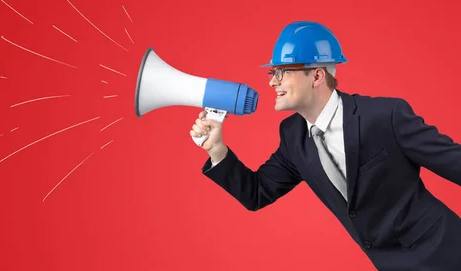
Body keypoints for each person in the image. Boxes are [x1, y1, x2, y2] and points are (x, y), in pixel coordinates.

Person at [190, 21, 461, 270]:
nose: (273, 81)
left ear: (317, 76)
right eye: (273, 72)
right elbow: (257, 193)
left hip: (446, 251)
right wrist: (217, 150)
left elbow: (454, 162)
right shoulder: (293, 136)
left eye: (282, 72)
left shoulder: (384, 116)